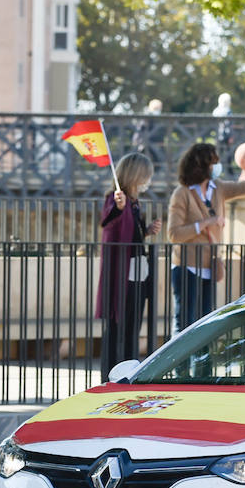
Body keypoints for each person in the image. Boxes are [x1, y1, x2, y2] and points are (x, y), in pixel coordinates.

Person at [167, 142, 245, 332]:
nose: (217, 167)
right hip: (187, 267)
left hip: (209, 266)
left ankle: (201, 362)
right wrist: (205, 224)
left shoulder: (218, 188)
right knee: (184, 323)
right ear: (201, 166)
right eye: (213, 163)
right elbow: (174, 234)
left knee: (204, 323)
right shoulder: (182, 194)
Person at [97, 153, 162, 380]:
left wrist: (146, 231)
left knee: (134, 322)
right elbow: (109, 221)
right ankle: (112, 372)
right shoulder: (116, 198)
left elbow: (131, 233)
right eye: (145, 175)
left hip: (137, 270)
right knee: (118, 325)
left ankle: (128, 368)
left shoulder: (134, 202)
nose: (148, 180)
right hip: (122, 272)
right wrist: (118, 207)